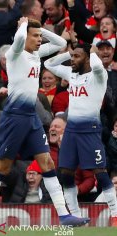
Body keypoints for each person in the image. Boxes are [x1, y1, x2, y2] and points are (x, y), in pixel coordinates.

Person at [0, 17, 90, 228]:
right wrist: (23, 26)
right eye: (34, 37)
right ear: (23, 36)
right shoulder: (14, 54)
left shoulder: (36, 54)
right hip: (14, 117)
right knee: (3, 166)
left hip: (31, 118)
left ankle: (64, 215)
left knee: (47, 162)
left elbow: (59, 43)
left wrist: (37, 29)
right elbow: (18, 41)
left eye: (39, 36)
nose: (39, 40)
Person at [44, 43, 117, 226]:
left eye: (77, 56)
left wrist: (93, 53)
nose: (72, 60)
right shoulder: (71, 74)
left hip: (90, 131)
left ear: (87, 58)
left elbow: (98, 66)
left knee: (100, 173)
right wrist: (67, 53)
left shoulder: (98, 76)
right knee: (66, 174)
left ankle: (115, 215)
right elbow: (49, 65)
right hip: (70, 132)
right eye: (72, 56)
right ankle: (75, 217)